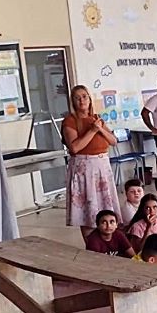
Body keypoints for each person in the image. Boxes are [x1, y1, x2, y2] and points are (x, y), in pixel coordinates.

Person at [62, 84, 120, 239]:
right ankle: (91, 243)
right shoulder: (70, 121)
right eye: (77, 98)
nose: (82, 101)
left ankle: (107, 242)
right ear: (73, 102)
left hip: (102, 166)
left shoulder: (96, 118)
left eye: (84, 97)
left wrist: (99, 128)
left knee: (105, 206)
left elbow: (113, 141)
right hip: (85, 168)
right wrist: (92, 131)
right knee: (88, 209)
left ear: (89, 99)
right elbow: (75, 147)